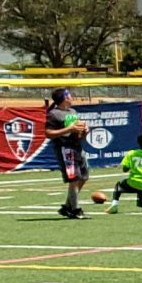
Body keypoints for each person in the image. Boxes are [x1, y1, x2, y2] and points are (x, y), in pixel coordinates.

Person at [45, 88, 92, 218]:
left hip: (77, 147)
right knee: (74, 178)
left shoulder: (73, 111)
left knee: (84, 176)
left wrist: (85, 130)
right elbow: (48, 133)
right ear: (65, 98)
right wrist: (69, 128)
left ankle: (67, 207)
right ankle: (76, 209)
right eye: (70, 95)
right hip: (65, 149)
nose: (72, 97)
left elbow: (78, 131)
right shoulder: (54, 114)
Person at [106, 131, 142, 214]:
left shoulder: (131, 154)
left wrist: (135, 167)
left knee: (119, 185)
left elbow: (125, 169)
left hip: (132, 183)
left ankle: (114, 204)